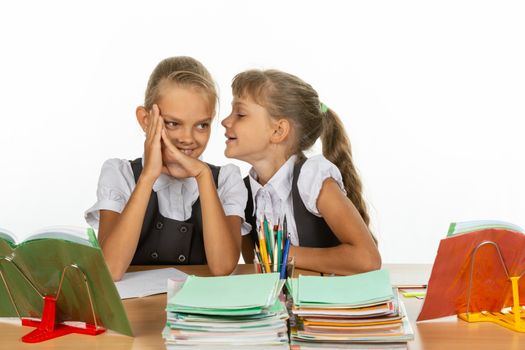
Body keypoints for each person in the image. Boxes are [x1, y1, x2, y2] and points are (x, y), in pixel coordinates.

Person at [85, 56, 246, 281]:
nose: (187, 138)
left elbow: (223, 267)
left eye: (202, 125)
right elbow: (110, 269)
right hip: (136, 313)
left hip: (197, 314)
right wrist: (148, 177)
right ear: (146, 120)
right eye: (172, 123)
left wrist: (203, 176)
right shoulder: (120, 174)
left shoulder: (225, 179)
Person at [221, 69, 381, 275]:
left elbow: (367, 259)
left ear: (278, 131)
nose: (225, 121)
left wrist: (283, 254)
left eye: (240, 114)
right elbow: (257, 268)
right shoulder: (241, 192)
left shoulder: (312, 178)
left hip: (327, 303)